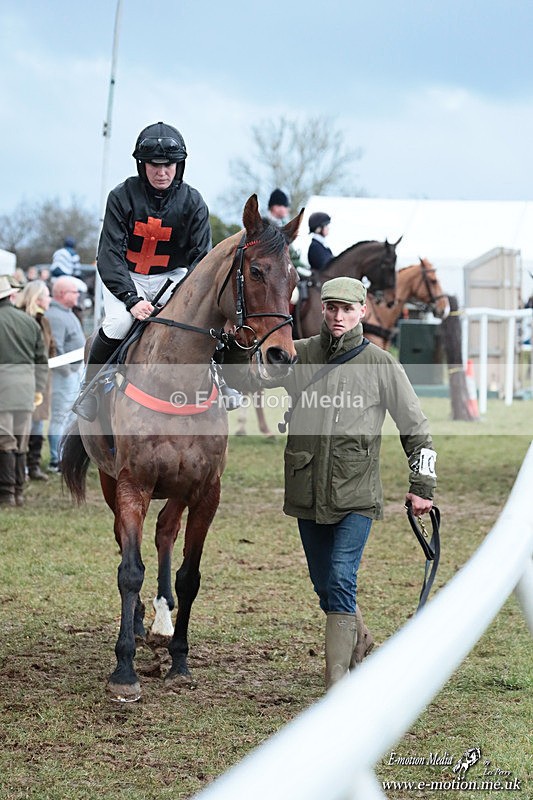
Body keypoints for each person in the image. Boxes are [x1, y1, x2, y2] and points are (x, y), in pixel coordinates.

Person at [276, 276, 436, 689]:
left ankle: (338, 686)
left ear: (362, 311)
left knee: (342, 577)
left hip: (356, 494)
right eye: (331, 308)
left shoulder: (382, 365)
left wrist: (423, 487)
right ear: (323, 309)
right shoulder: (302, 354)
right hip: (307, 488)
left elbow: (417, 430)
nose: (338, 316)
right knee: (322, 581)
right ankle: (359, 639)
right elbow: (256, 375)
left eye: (347, 309)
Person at [75, 120, 240, 420]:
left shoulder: (194, 202)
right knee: (118, 325)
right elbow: (109, 254)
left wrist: (185, 294)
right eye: (154, 165)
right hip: (127, 276)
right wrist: (131, 299)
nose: (161, 172)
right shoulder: (121, 196)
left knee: (200, 320)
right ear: (142, 165)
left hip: (174, 276)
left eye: (169, 165)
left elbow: (201, 259)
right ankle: (90, 390)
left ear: (180, 165)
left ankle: (224, 382)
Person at [0, 275, 48, 506]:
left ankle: (7, 493)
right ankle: (18, 491)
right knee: (21, 441)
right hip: (27, 387)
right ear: (10, 295)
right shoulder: (29, 322)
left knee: (5, 441)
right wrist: (38, 388)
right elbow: (41, 360)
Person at [15, 280, 56, 480]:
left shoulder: (45, 321)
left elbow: (51, 347)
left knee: (38, 424)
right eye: (47, 295)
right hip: (22, 380)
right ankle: (18, 467)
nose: (50, 299)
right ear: (37, 297)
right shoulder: (21, 318)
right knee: (20, 425)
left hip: (42, 378)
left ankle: (33, 465)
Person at [45, 276, 86, 472]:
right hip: (63, 374)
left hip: (73, 372)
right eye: (74, 292)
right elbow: (55, 348)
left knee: (69, 416)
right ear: (62, 294)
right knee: (59, 417)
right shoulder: (55, 315)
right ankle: (56, 460)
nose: (78, 295)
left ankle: (64, 458)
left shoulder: (67, 312)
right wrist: (68, 370)